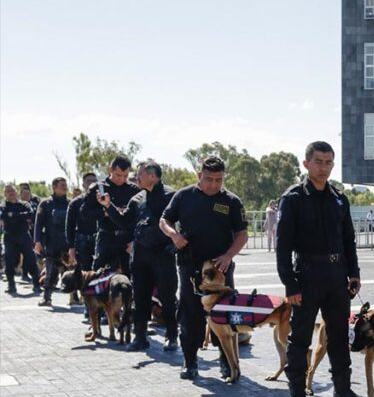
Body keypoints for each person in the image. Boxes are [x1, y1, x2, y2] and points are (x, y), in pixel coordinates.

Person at [276, 141, 368, 397]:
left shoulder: (338, 198)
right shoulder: (293, 198)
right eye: (318, 162)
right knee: (301, 337)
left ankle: (343, 390)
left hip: (337, 276)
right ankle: (297, 395)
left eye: (328, 162)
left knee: (339, 336)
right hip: (307, 274)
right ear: (306, 164)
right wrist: (290, 285)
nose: (324, 167)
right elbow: (283, 246)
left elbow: (348, 239)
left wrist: (354, 273)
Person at [160, 156, 248, 380]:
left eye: (219, 180)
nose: (213, 184)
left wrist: (229, 255)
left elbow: (242, 234)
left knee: (224, 315)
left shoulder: (231, 201)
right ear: (200, 175)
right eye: (209, 179)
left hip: (220, 268)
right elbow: (164, 221)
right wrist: (174, 235)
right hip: (191, 266)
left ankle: (227, 361)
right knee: (190, 314)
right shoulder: (183, 196)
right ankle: (190, 361)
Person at [102, 160, 178, 352]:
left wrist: (176, 246)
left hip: (163, 254)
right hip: (141, 256)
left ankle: (172, 335)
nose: (136, 177)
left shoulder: (171, 196)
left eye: (140, 174)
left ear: (152, 176)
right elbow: (123, 220)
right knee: (140, 297)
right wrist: (108, 205)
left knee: (167, 297)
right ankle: (140, 337)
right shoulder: (137, 198)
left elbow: (183, 223)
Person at [80, 156, 142, 272]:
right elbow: (84, 213)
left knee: (130, 274)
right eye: (118, 175)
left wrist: (135, 240)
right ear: (110, 170)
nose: (121, 179)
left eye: (125, 176)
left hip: (127, 239)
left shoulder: (134, 190)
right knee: (99, 274)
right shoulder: (98, 188)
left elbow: (141, 216)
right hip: (106, 238)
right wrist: (105, 213)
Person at [33, 177, 70, 306]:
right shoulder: (46, 204)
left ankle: (74, 297)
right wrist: (37, 241)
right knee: (51, 272)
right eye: (62, 185)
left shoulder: (70, 204)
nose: (65, 187)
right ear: (54, 187)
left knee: (70, 270)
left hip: (67, 242)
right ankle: (47, 297)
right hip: (52, 242)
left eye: (65, 185)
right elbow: (38, 224)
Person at [2, 184, 41, 294]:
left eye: (12, 190)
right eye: (8, 191)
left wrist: (13, 215)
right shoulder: (3, 206)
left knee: (31, 259)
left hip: (24, 236)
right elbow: (3, 216)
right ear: (5, 194)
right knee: (9, 261)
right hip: (9, 237)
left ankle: (36, 285)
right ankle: (11, 286)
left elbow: (31, 214)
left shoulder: (24, 204)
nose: (11, 193)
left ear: (16, 192)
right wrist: (20, 216)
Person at [67, 173, 100, 273]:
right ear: (83, 185)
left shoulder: (103, 200)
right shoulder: (75, 203)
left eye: (94, 181)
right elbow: (70, 226)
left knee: (100, 271)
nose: (92, 183)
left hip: (100, 240)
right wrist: (71, 246)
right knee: (84, 272)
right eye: (89, 181)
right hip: (82, 242)